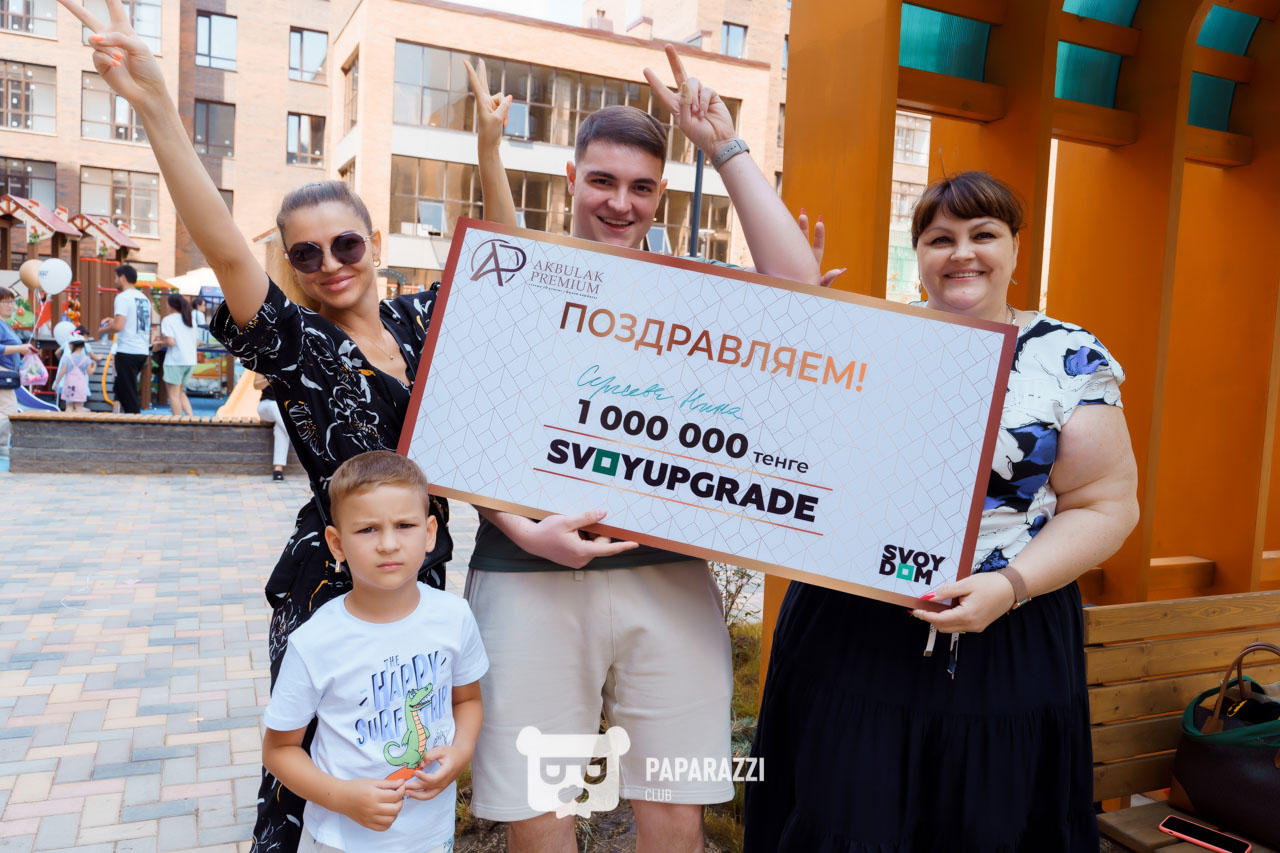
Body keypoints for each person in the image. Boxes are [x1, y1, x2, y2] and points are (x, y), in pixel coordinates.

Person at [57, 2, 630, 848]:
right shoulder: (297, 344)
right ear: (290, 266)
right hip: (335, 582)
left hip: (420, 575)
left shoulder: (420, 320)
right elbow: (225, 249)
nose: (329, 264)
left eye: (346, 245)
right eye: (307, 253)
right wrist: (156, 110)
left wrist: (489, 151)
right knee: (316, 785)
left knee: (402, 770)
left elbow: (513, 271)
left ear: (375, 241)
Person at [462, 46, 820, 853]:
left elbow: (801, 290)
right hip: (526, 572)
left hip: (668, 571)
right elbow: (467, 423)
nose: (620, 202)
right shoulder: (520, 271)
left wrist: (721, 144)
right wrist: (526, 531)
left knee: (677, 805)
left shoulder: (692, 289)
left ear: (660, 193)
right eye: (603, 180)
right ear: (570, 178)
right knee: (539, 808)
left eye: (642, 186)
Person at [745, 171, 1140, 853]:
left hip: (1008, 634)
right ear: (918, 253)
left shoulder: (1069, 357)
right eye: (939, 238)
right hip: (855, 633)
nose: (962, 253)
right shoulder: (870, 338)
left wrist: (1008, 587)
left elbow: (1106, 505)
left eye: (983, 234)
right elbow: (783, 452)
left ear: (1014, 247)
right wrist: (799, 333)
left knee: (988, 825)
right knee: (844, 817)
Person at [262, 450, 487, 853]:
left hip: (431, 836)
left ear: (430, 533)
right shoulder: (315, 641)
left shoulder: (454, 617)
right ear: (337, 543)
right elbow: (279, 750)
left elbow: (467, 700)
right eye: (367, 529)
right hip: (341, 840)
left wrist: (461, 752)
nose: (388, 544)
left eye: (404, 525)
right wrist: (342, 797)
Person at [101, 263, 151, 413]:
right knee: (121, 389)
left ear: (122, 278)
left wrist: (101, 331)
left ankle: (135, 422)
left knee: (127, 394)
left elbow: (118, 327)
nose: (115, 280)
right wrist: (113, 320)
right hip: (141, 350)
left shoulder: (122, 297)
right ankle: (129, 420)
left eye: (116, 277)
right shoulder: (144, 298)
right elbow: (134, 322)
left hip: (127, 350)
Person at [1, 286, 38, 461]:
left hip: (7, 372)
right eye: (6, 302)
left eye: (12, 302)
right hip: (3, 372)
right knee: (8, 412)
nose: (11, 305)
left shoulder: (5, 324)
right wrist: (20, 348)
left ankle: (2, 448)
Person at [159, 293, 197, 417]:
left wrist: (159, 343)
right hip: (190, 360)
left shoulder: (168, 320)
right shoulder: (190, 319)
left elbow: (170, 342)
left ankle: (177, 420)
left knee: (173, 394)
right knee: (180, 392)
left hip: (175, 361)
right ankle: (191, 418)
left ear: (171, 305)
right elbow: (197, 341)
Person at [254, 371, 289, 480]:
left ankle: (278, 468)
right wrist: (270, 379)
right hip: (266, 405)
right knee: (275, 406)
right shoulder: (264, 364)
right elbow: (256, 385)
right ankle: (296, 434)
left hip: (283, 408)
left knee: (280, 428)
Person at [53, 331, 96, 413]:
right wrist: (94, 366)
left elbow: (62, 371)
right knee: (79, 408)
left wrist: (57, 383)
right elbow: (90, 372)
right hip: (81, 386)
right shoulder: (86, 359)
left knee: (69, 407)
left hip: (69, 385)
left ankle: (67, 421)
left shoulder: (67, 358)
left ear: (71, 345)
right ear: (83, 346)